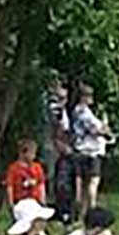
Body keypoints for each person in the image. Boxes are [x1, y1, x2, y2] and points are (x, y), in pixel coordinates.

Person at [72, 83, 111, 220]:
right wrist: (105, 130)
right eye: (89, 95)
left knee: (84, 185)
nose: (91, 98)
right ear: (83, 97)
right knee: (93, 182)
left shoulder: (82, 111)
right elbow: (95, 130)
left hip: (83, 150)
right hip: (90, 151)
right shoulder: (83, 112)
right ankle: (92, 210)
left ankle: (82, 214)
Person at [48, 82, 75, 225]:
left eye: (64, 98)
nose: (62, 101)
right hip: (54, 149)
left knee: (64, 182)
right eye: (60, 97)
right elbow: (54, 132)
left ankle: (64, 211)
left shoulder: (66, 111)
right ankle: (59, 211)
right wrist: (61, 145)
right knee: (58, 182)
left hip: (65, 149)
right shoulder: (54, 110)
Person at [4, 138, 46, 209]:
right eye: (32, 153)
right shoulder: (13, 168)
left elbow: (41, 184)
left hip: (35, 201)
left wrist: (42, 199)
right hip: (20, 201)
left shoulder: (37, 167)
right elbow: (10, 186)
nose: (34, 156)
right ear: (22, 153)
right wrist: (10, 203)